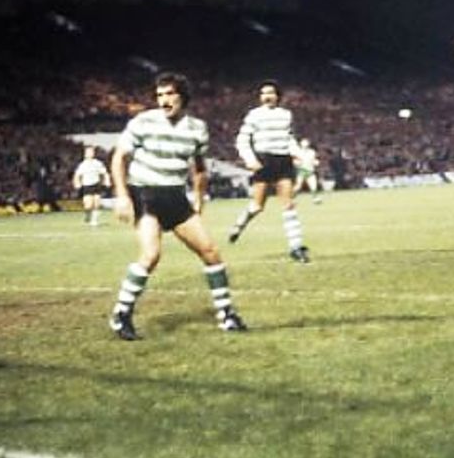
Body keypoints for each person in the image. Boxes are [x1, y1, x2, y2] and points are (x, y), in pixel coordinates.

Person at [108, 72, 247, 340]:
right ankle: (121, 314)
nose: (164, 100)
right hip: (145, 194)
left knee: (210, 252)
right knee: (151, 255)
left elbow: (199, 169)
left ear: (183, 96)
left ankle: (226, 315)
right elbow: (118, 158)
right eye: (159, 95)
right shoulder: (143, 122)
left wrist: (199, 199)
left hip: (175, 196)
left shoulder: (197, 128)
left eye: (170, 94)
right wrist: (122, 196)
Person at [228, 79, 310, 263]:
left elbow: (289, 138)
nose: (267, 96)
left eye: (270, 92)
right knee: (257, 206)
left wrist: (299, 154)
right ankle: (239, 225)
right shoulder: (254, 115)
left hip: (283, 161)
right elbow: (242, 139)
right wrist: (250, 159)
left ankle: (296, 247)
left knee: (288, 204)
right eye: (263, 93)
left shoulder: (286, 115)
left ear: (277, 96)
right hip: (264, 161)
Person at [72, 145, 111, 226]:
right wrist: (77, 183)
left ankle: (95, 220)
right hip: (87, 185)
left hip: (96, 184)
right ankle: (88, 216)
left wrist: (107, 181)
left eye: (92, 152)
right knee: (88, 205)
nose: (90, 153)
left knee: (97, 202)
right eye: (88, 152)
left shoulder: (98, 163)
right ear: (85, 154)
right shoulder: (83, 165)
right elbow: (77, 175)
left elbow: (104, 173)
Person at [291, 138, 323, 204]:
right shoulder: (298, 152)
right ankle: (292, 198)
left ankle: (315, 198)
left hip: (310, 171)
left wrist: (316, 162)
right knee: (298, 186)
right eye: (303, 145)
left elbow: (314, 160)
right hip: (301, 171)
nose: (305, 146)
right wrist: (297, 163)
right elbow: (294, 161)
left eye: (306, 144)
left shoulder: (312, 152)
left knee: (313, 186)